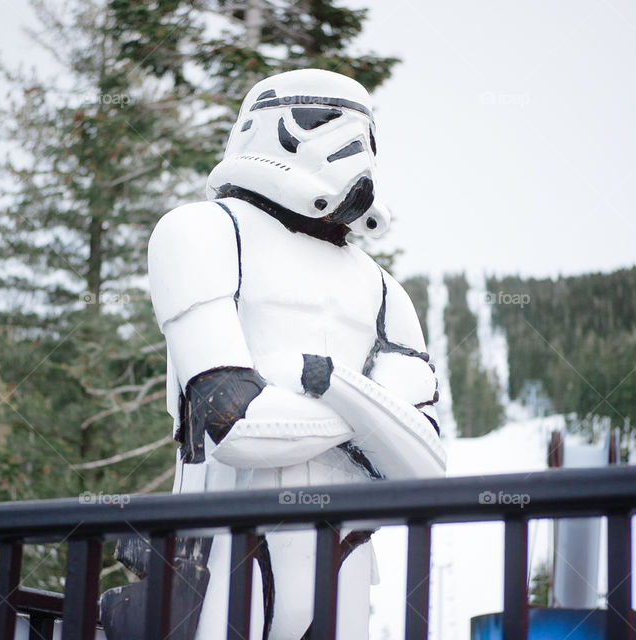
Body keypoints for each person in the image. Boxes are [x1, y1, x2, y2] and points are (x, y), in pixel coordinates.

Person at [147, 68, 447, 640]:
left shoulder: (384, 290)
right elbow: (234, 428)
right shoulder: (203, 233)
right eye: (320, 120)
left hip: (347, 552)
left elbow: (426, 470)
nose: (350, 146)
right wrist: (376, 414)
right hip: (219, 542)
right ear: (261, 129)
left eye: (365, 132)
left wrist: (330, 383)